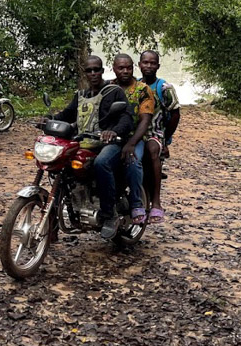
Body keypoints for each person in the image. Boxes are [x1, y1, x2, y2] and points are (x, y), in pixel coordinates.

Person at [53, 55, 134, 240]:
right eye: (89, 70)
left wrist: (113, 132)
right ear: (85, 73)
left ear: (102, 70)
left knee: (101, 163)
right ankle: (53, 221)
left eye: (96, 69)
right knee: (60, 164)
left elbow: (127, 118)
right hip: (85, 142)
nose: (93, 73)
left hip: (110, 143)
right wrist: (49, 120)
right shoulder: (81, 95)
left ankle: (109, 215)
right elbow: (66, 114)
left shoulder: (113, 92)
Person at [138, 50, 180, 226]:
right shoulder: (135, 85)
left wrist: (166, 140)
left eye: (152, 63)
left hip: (155, 133)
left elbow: (175, 114)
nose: (148, 66)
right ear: (139, 65)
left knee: (152, 151)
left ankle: (156, 201)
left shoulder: (164, 88)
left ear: (158, 66)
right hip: (135, 133)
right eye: (145, 63)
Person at [111, 53, 154, 225]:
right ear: (114, 69)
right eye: (121, 68)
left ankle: (136, 203)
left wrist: (131, 143)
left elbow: (145, 120)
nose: (125, 71)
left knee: (133, 160)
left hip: (134, 137)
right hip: (111, 137)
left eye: (128, 68)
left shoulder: (142, 90)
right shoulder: (109, 88)